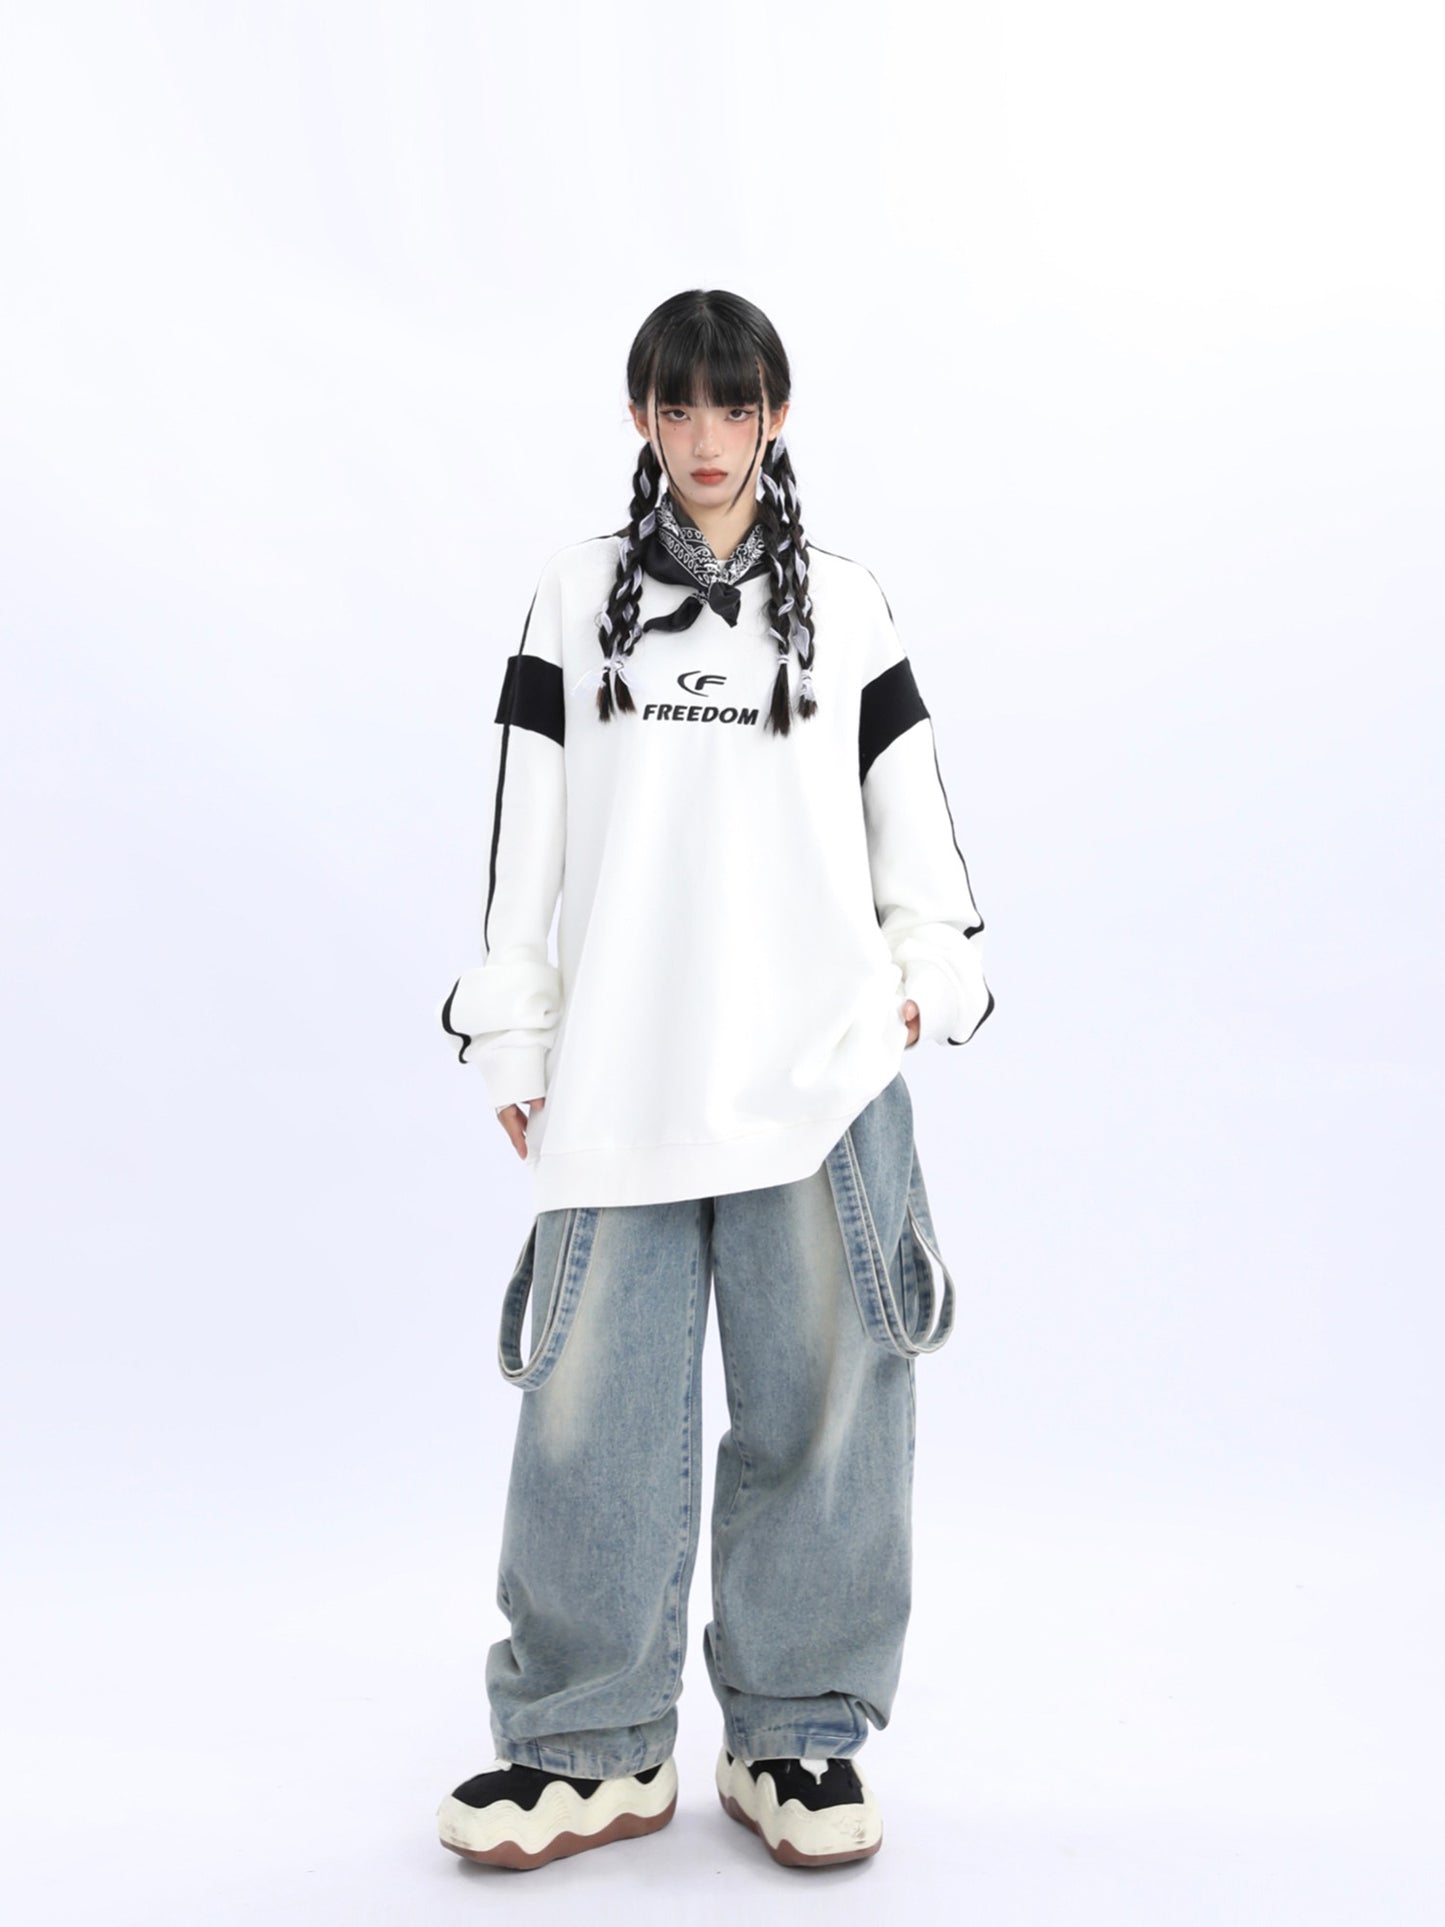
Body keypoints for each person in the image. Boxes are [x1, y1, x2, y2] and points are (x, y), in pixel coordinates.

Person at [435, 289, 994, 1872]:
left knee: (823, 1415)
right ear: (640, 420)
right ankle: (587, 1745)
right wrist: (517, 1032)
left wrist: (920, 983)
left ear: (773, 417)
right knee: (588, 1424)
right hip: (624, 1075)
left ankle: (795, 1733)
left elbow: (914, 830)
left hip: (817, 1088)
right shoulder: (573, 598)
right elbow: (525, 837)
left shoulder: (846, 604)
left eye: (731, 408)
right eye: (675, 409)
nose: (704, 439)